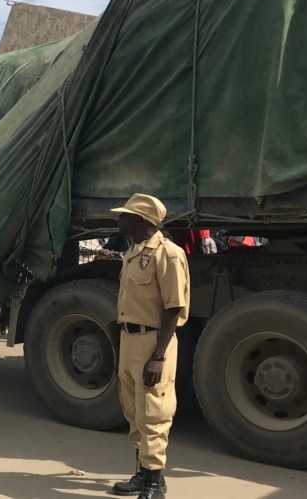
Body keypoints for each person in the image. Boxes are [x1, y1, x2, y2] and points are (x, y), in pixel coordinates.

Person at [110, 194, 190, 499]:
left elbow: (174, 307)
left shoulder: (167, 254)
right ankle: (142, 475)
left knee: (153, 413)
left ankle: (155, 485)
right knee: (133, 410)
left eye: (125, 215)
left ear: (142, 221)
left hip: (153, 342)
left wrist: (158, 356)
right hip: (131, 340)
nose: (119, 219)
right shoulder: (134, 253)